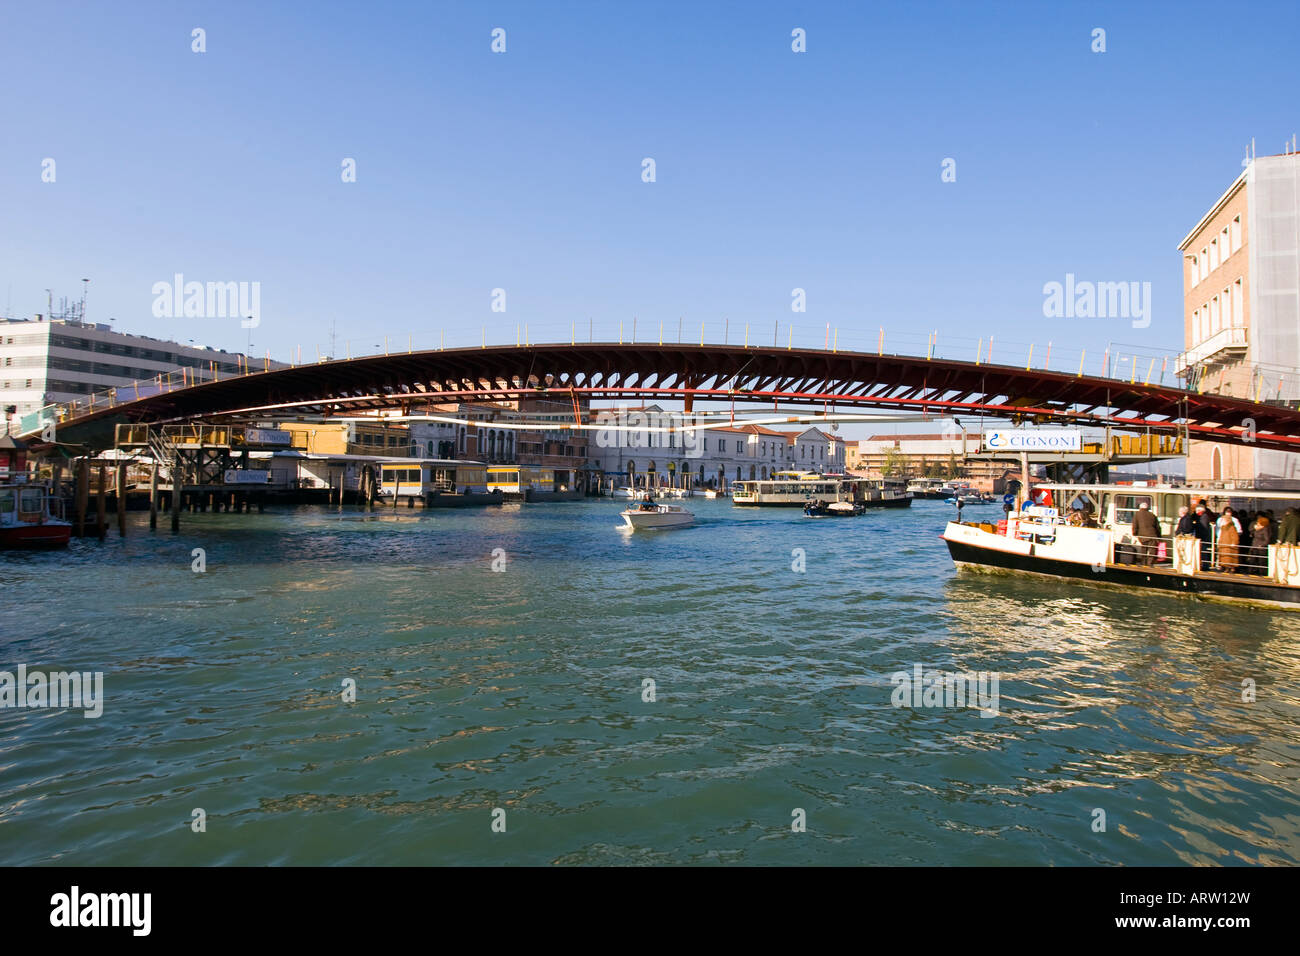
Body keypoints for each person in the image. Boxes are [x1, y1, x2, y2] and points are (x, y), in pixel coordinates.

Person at [1131, 501, 1162, 566]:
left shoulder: (1137, 514)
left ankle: (1143, 563)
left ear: (1140, 508)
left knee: (1144, 549)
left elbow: (1135, 525)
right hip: (1153, 535)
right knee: (1152, 550)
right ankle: (1150, 563)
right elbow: (1158, 527)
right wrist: (1159, 537)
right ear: (1147, 508)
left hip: (1143, 536)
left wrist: (1134, 534)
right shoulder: (1152, 515)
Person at [1216, 507, 1242, 572]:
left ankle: (1231, 568)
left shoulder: (1232, 527)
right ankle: (1225, 567)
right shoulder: (1222, 527)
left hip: (1230, 544)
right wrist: (1219, 541)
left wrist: (1234, 542)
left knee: (1230, 557)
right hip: (1224, 544)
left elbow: (1235, 536)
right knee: (1224, 557)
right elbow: (1219, 533)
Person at [1194, 504, 1214, 569]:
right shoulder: (1202, 516)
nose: (1196, 512)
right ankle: (1204, 564)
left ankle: (1205, 566)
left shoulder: (1204, 517)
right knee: (1202, 551)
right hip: (1203, 537)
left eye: (1197, 510)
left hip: (1203, 537)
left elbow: (1203, 528)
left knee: (1203, 552)